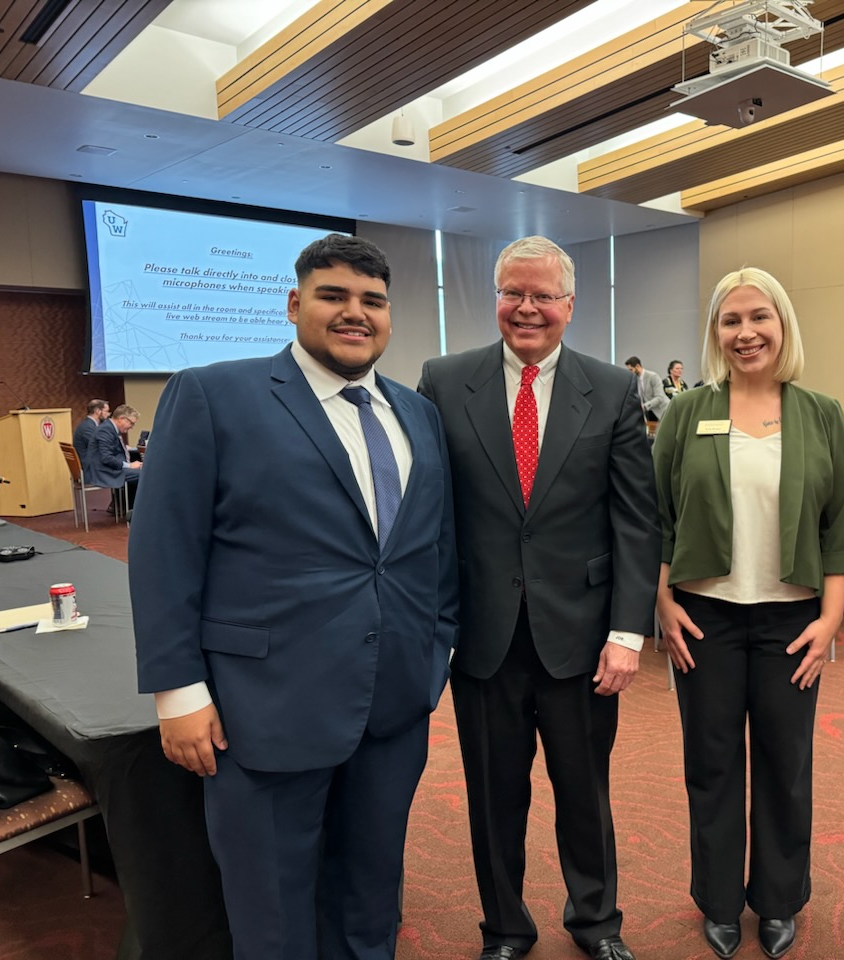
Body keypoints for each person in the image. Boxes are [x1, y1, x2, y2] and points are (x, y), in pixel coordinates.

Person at [129, 233, 458, 960]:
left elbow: (434, 549)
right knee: (272, 908)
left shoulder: (418, 415)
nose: (355, 313)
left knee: (372, 894)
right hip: (264, 704)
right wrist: (177, 690)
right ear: (293, 304)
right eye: (333, 295)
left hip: (394, 703)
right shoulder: (214, 394)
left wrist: (437, 649)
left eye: (372, 301)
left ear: (390, 315)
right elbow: (164, 551)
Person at [418, 236, 658, 960]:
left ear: (570, 306)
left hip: (582, 639)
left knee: (585, 793)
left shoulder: (612, 388)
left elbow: (635, 521)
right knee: (495, 799)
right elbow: (429, 513)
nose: (527, 308)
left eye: (543, 295)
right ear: (495, 298)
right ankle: (505, 929)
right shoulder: (443, 380)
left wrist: (627, 633)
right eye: (512, 293)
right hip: (483, 637)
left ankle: (596, 922)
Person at [653, 267, 844, 960]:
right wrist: (662, 601)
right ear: (715, 332)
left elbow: (837, 529)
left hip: (791, 621)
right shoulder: (687, 410)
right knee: (709, 764)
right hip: (705, 617)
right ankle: (715, 900)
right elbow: (660, 517)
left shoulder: (819, 412)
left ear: (782, 325)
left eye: (758, 318)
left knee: (783, 763)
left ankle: (777, 900)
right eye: (730, 320)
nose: (746, 333)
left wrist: (831, 621)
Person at [88, 403, 141, 511]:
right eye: (131, 423)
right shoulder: (106, 430)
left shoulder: (109, 428)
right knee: (144, 475)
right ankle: (137, 512)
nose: (132, 427)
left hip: (106, 468)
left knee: (140, 471)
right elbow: (106, 458)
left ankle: (127, 509)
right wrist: (129, 465)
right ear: (121, 419)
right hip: (103, 471)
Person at [72, 398, 108, 481]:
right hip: (90, 470)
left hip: (90, 467)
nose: (108, 414)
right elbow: (101, 447)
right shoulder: (88, 428)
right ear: (97, 411)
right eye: (106, 411)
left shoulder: (89, 425)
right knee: (131, 473)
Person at [625, 355, 670, 421]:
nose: (630, 372)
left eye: (631, 370)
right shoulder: (635, 379)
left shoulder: (653, 376)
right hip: (649, 412)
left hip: (662, 411)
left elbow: (660, 397)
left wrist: (645, 406)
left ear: (637, 366)